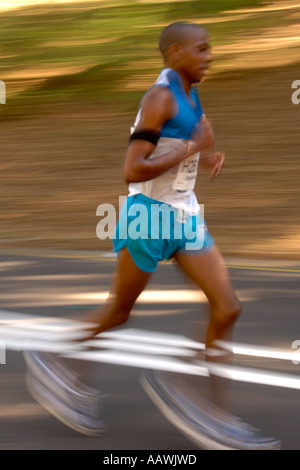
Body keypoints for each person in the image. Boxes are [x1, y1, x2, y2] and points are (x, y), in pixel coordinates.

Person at [24, 22, 281, 450]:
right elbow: (133, 169)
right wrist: (192, 149)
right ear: (175, 52)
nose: (209, 56)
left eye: (210, 48)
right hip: (148, 219)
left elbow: (180, 146)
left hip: (184, 214)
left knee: (228, 307)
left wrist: (206, 155)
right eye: (201, 49)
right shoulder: (159, 97)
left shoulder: (190, 92)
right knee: (119, 313)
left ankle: (206, 405)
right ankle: (51, 355)